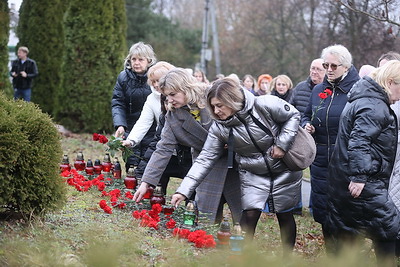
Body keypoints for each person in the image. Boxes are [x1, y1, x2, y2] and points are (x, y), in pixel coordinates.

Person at [171, 77, 303, 252]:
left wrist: (282, 144)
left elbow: (293, 115)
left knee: (284, 213)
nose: (216, 111)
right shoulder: (219, 128)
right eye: (213, 106)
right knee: (249, 214)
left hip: (284, 168)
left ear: (231, 100)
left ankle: (286, 259)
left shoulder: (264, 104)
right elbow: (205, 158)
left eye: (220, 105)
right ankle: (242, 257)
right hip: (252, 172)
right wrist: (184, 190)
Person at [133, 68, 242, 224]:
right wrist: (146, 182)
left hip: (234, 162)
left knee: (243, 217)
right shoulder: (173, 117)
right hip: (205, 167)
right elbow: (163, 149)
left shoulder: (212, 95)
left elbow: (238, 118)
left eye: (172, 94)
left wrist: (232, 141)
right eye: (166, 96)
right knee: (208, 219)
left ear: (185, 88)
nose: (169, 100)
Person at [326, 60, 400, 265]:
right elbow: (359, 141)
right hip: (363, 182)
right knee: (388, 227)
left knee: (355, 230)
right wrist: (359, 177)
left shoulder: (367, 99)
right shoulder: (374, 106)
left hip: (351, 179)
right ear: (391, 82)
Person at [302, 44, 359, 246]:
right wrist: (306, 124)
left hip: (345, 162)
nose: (329, 69)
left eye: (334, 65)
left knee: (346, 216)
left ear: (346, 66)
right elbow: (306, 113)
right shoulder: (319, 90)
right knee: (324, 212)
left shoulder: (357, 90)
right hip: (320, 162)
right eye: (326, 65)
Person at [121, 61, 193, 196]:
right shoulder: (153, 98)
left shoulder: (186, 100)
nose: (155, 85)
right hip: (165, 146)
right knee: (157, 176)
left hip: (187, 151)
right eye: (152, 81)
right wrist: (131, 140)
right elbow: (144, 122)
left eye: (158, 80)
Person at [111, 42, 157, 170]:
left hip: (152, 129)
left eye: (140, 59)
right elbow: (118, 102)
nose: (136, 63)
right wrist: (120, 124)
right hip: (130, 125)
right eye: (133, 59)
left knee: (150, 163)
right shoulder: (123, 77)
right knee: (132, 161)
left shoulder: (156, 78)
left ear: (149, 61)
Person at [289, 58, 325, 216]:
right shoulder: (300, 88)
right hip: (301, 139)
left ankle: (313, 208)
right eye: (312, 68)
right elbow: (290, 109)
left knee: (316, 177)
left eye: (318, 69)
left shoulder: (327, 91)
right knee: (296, 172)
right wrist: (302, 124)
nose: (314, 72)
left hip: (321, 141)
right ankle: (295, 206)